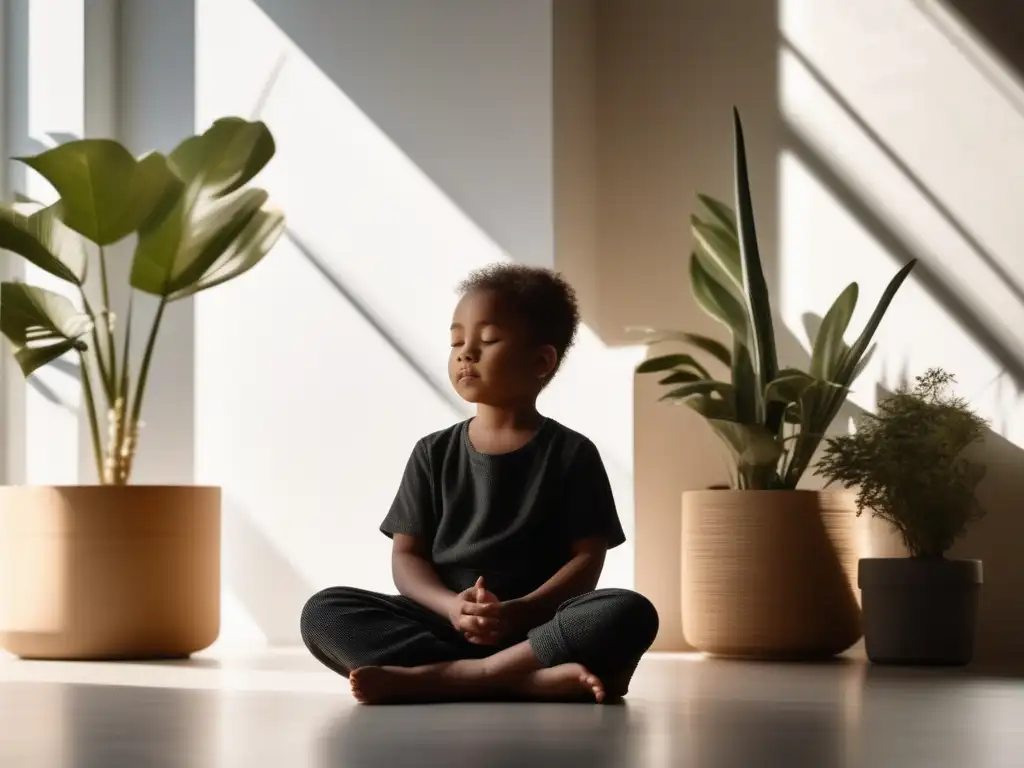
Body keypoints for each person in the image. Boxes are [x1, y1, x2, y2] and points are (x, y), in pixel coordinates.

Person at [300, 263, 660, 705]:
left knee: (629, 611)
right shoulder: (432, 453)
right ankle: (517, 680)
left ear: (540, 361)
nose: (465, 352)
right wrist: (451, 607)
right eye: (457, 341)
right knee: (324, 611)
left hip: (536, 628)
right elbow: (407, 556)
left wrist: (522, 611)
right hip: (445, 623)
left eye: (487, 341)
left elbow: (587, 560)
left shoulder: (572, 454)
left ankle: (459, 676)